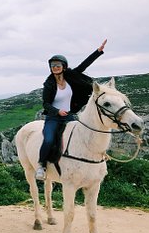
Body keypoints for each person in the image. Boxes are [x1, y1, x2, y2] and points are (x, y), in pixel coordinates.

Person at [36, 39, 107, 180]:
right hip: (54, 117)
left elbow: (83, 65)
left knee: (85, 133)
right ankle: (41, 166)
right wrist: (57, 111)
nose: (55, 67)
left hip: (69, 115)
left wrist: (98, 52)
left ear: (64, 66)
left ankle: (98, 158)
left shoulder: (70, 77)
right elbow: (46, 104)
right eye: (52, 65)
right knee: (49, 140)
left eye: (57, 65)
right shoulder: (49, 83)